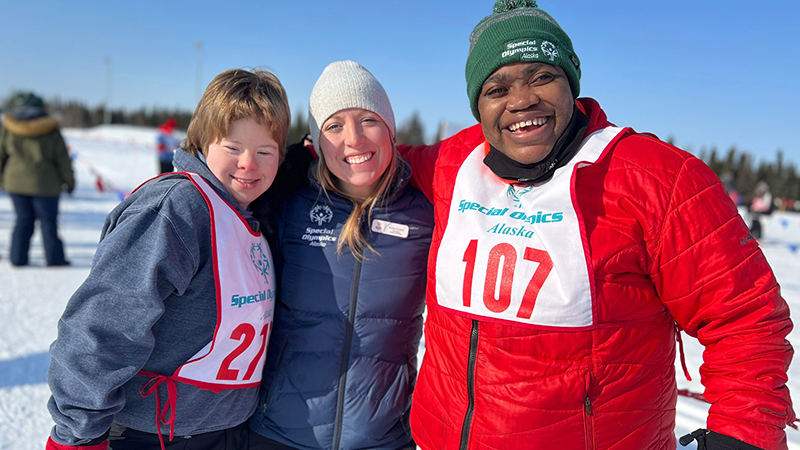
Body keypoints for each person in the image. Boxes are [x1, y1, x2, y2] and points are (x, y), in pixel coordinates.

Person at [399, 1, 794, 449]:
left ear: (571, 82)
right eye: (496, 88)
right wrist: (309, 160)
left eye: (542, 77)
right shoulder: (456, 161)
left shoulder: (657, 178)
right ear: (478, 105)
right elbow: (382, 166)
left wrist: (742, 436)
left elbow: (744, 319)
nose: (522, 99)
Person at [47, 68, 291, 450]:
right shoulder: (178, 208)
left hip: (226, 429)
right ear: (202, 142)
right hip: (153, 434)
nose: (249, 163)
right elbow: (103, 324)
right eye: (233, 147)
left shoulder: (251, 218)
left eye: (265, 152)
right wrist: (77, 434)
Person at [248, 61, 434, 450]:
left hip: (383, 438)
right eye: (334, 126)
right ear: (315, 141)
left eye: (368, 120)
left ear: (390, 129)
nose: (354, 139)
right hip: (279, 434)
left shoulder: (425, 214)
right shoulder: (286, 204)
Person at [0, 92, 74, 267]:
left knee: (23, 219)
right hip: (46, 184)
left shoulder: (9, 129)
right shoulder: (51, 130)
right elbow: (62, 159)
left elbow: (1, 156)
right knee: (48, 221)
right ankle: (54, 259)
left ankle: (17, 258)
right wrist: (69, 181)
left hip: (15, 182)